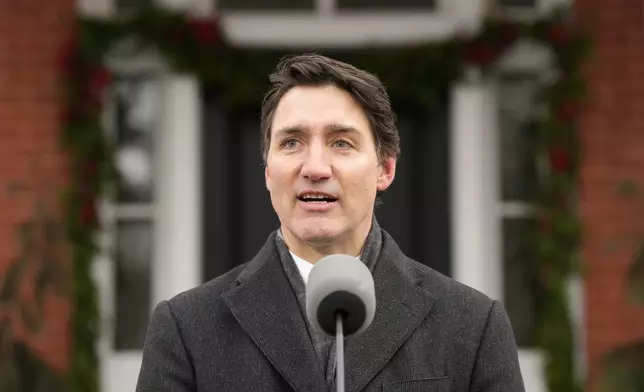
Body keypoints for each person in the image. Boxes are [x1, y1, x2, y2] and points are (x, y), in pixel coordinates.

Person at [135, 53, 526, 392]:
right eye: (291, 142)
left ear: (385, 168)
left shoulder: (473, 327)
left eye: (342, 142)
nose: (315, 168)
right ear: (268, 171)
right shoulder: (186, 329)